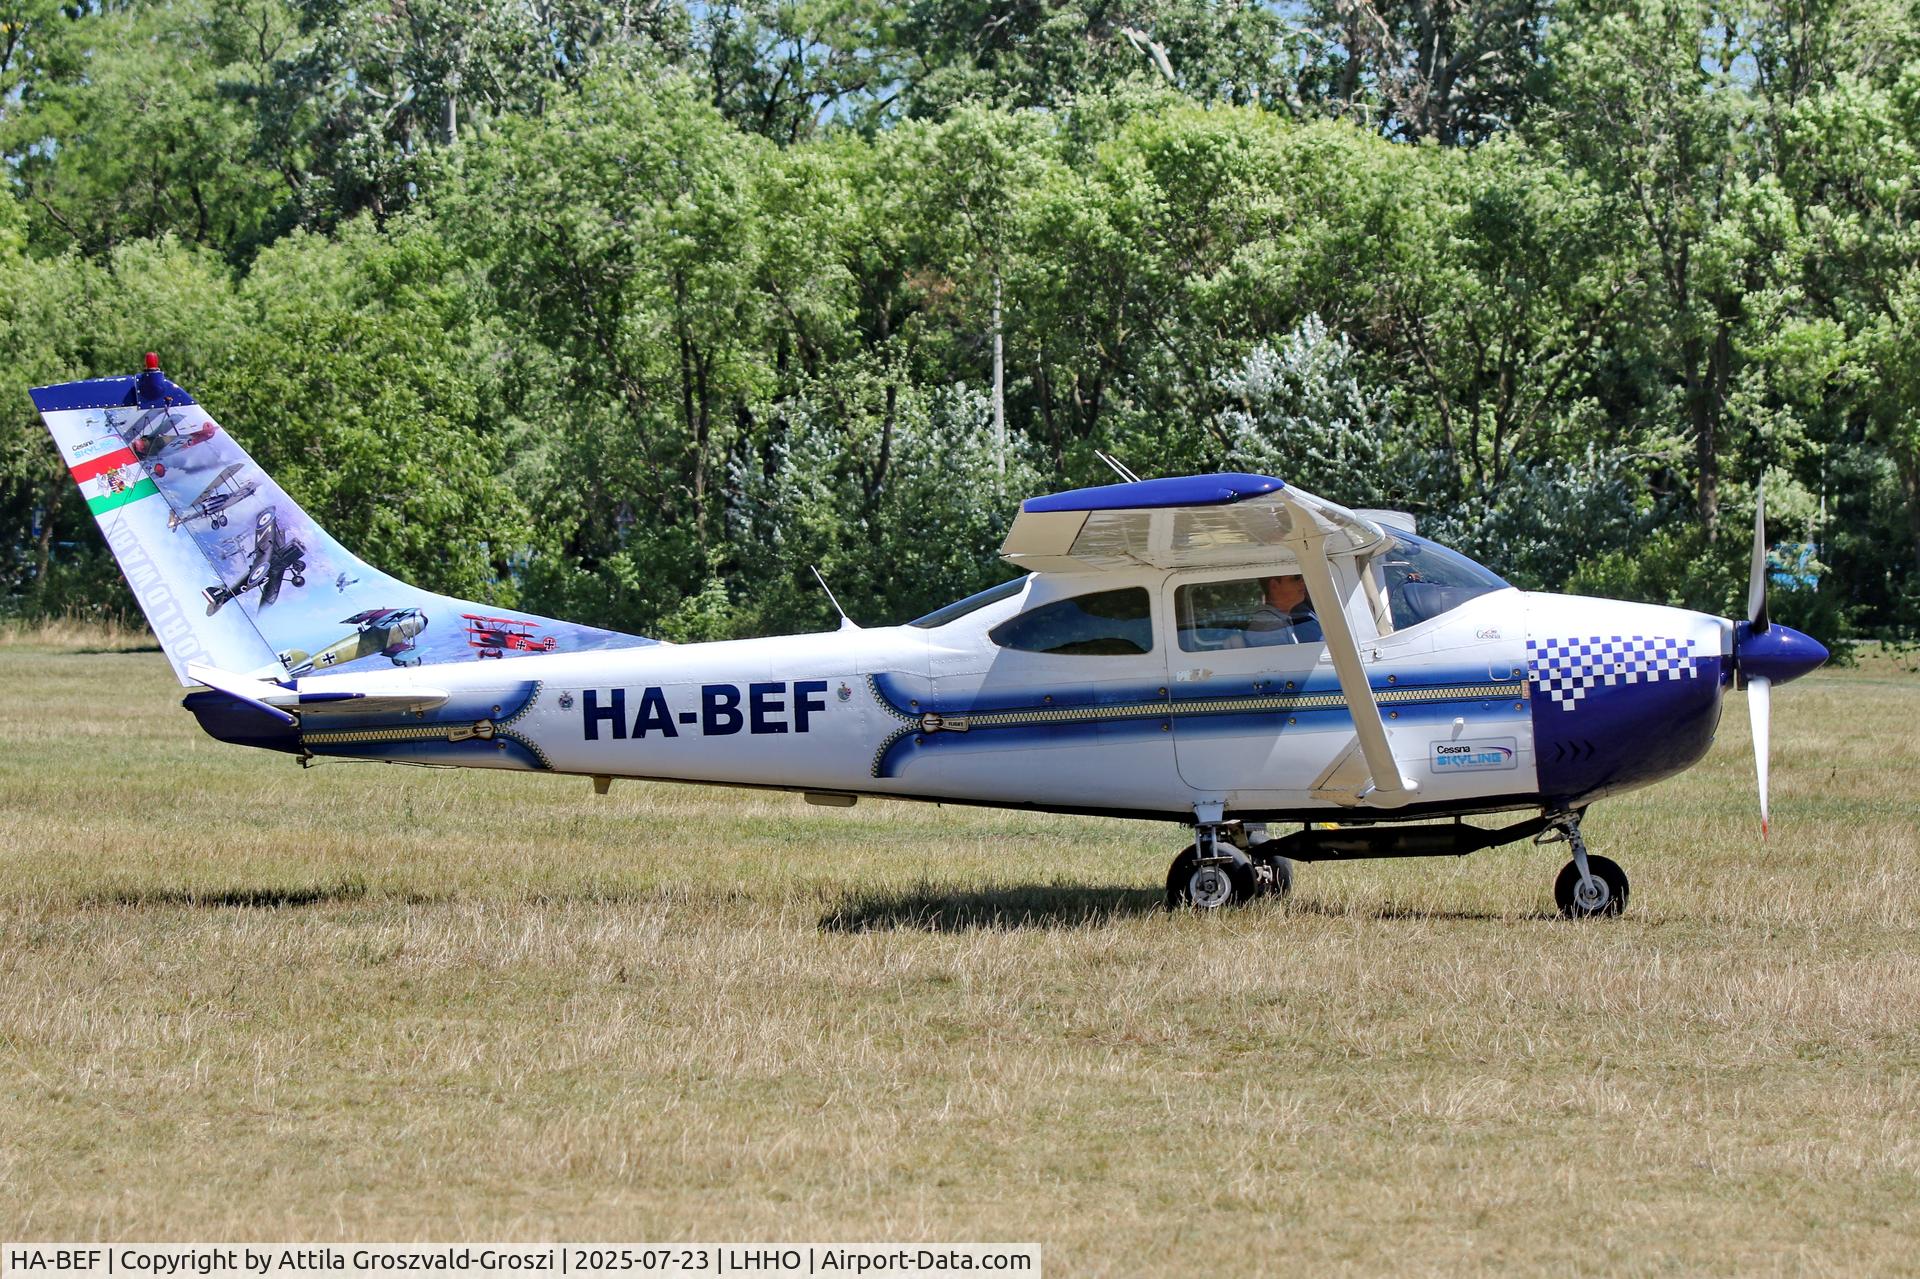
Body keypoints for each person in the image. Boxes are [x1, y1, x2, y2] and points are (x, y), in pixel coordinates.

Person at [1243, 573, 1321, 645]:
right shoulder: (1268, 625)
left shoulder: (1276, 620)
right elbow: (1278, 659)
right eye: (1296, 578)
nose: (1303, 582)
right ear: (1274, 586)